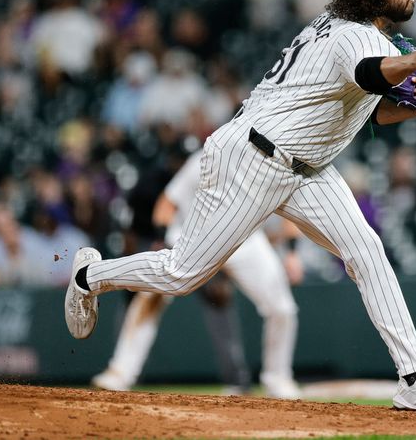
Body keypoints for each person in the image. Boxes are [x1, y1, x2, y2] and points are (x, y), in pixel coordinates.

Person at [65, 0, 416, 413]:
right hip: (250, 159)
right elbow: (367, 72)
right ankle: (89, 276)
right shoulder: (352, 34)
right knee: (182, 274)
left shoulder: (351, 31)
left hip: (308, 168)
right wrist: (413, 63)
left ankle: (415, 378)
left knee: (367, 250)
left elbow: (372, 113)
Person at [91, 150, 301, 398]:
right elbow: (166, 205)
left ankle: (278, 379)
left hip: (245, 239)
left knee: (282, 309)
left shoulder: (274, 159)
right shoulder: (208, 157)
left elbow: (290, 205)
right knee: (150, 297)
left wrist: (292, 252)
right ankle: (120, 372)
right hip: (193, 235)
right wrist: (160, 240)